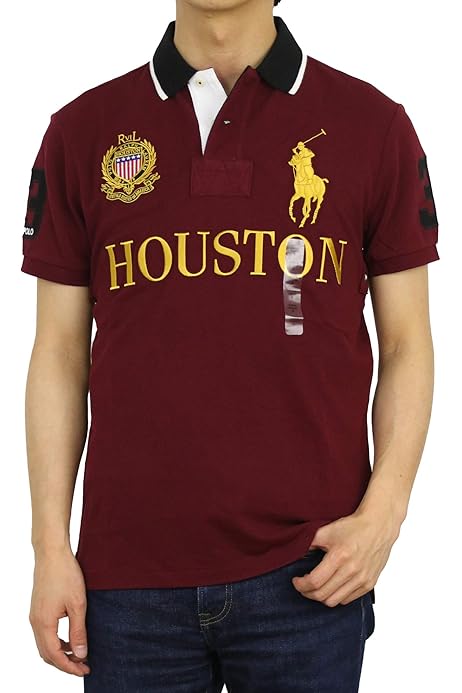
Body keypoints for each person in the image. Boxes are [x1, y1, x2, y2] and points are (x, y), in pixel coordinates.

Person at [22, 1, 439, 691]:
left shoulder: (374, 127)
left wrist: (384, 516)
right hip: (126, 583)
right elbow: (59, 354)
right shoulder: (82, 132)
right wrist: (48, 547)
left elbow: (407, 345)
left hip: (311, 572)